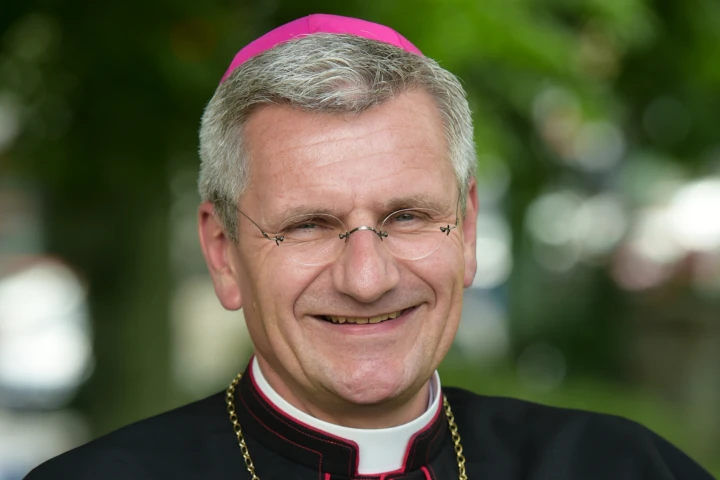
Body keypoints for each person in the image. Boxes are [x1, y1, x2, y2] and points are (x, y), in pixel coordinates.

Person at [25, 14, 714, 480]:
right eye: (308, 225)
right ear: (224, 252)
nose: (366, 279)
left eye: (408, 216)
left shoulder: (621, 467)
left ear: (468, 228)